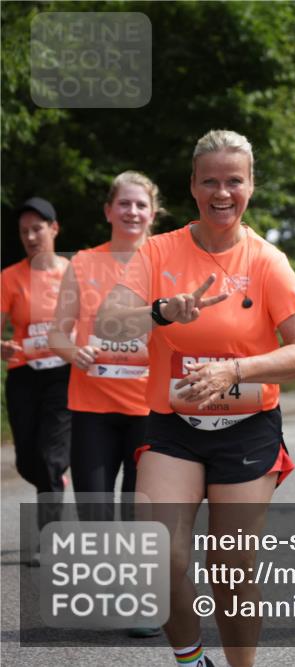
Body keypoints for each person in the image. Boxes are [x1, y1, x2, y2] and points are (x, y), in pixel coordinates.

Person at [95, 129, 295, 667]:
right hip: (173, 427)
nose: (223, 193)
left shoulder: (268, 261)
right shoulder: (157, 250)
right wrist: (160, 313)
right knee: (161, 556)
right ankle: (191, 659)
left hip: (247, 428)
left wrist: (235, 369)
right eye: (211, 181)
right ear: (193, 187)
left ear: (251, 187)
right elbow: (107, 323)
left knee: (231, 567)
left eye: (234, 181)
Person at [47, 172, 162, 638]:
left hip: (148, 408)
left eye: (141, 206)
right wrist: (72, 351)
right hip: (92, 405)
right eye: (125, 204)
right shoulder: (84, 265)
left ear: (153, 214)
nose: (132, 213)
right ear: (108, 210)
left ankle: (144, 599)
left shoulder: (163, 260)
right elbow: (58, 331)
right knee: (94, 506)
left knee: (143, 509)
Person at [1, 197, 71, 565]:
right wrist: (3, 347)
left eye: (37, 228)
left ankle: (49, 537)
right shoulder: (9, 278)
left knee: (48, 456)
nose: (30, 236)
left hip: (64, 373)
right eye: (24, 231)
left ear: (54, 229)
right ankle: (56, 478)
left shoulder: (74, 274)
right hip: (24, 375)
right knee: (27, 461)